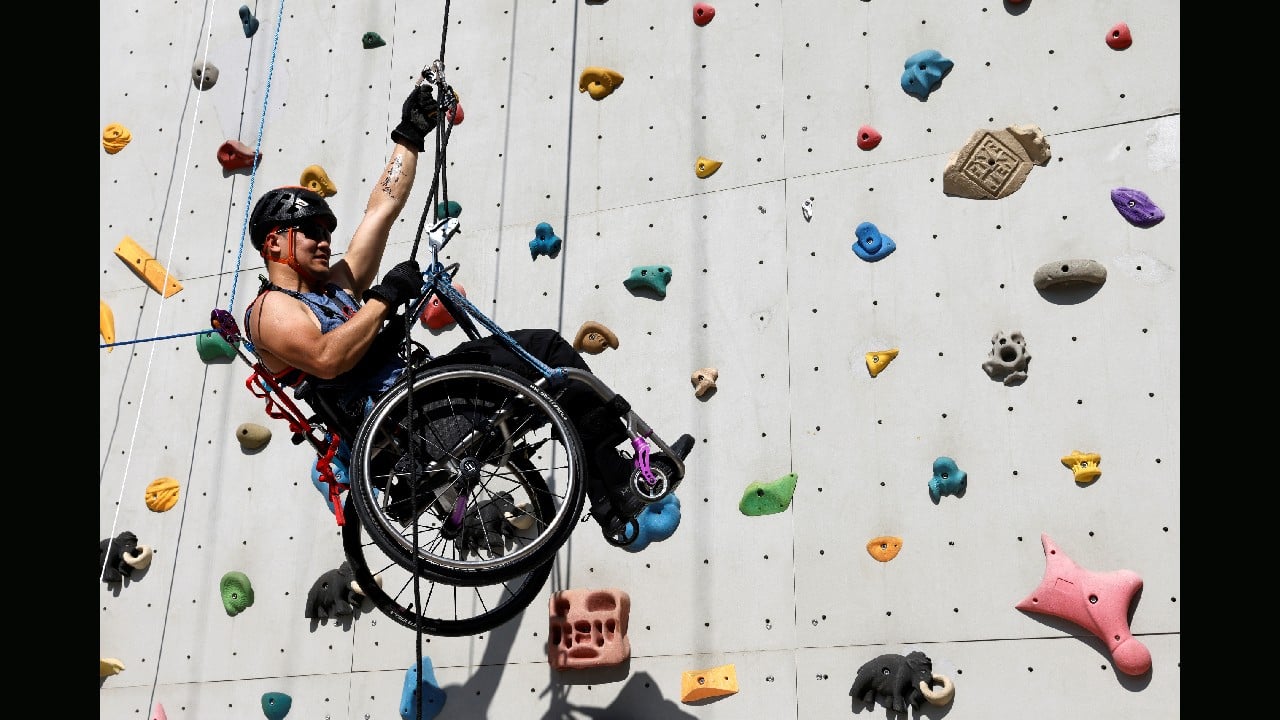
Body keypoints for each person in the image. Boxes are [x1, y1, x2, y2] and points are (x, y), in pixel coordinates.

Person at [241, 79, 687, 541]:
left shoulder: (335, 285)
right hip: (403, 423)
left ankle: (617, 488)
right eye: (310, 230)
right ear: (275, 241)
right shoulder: (270, 310)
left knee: (550, 359)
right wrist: (384, 297)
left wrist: (410, 136)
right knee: (545, 354)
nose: (324, 240)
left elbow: (382, 208)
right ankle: (617, 489)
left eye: (325, 230)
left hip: (426, 396)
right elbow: (327, 358)